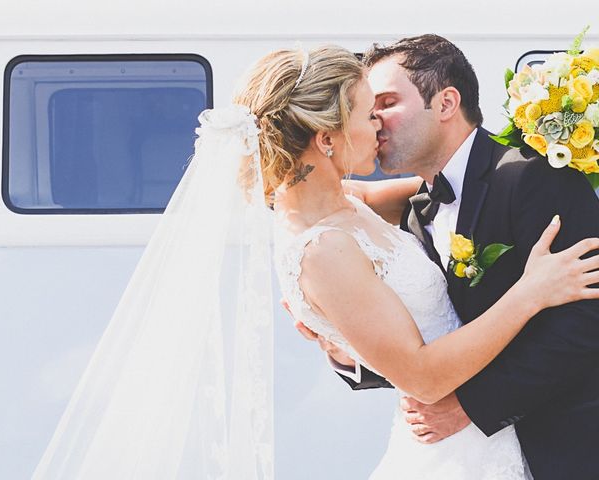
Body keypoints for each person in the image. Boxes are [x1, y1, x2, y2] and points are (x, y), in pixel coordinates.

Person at [33, 44, 599, 479]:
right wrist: (531, 292)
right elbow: (421, 374)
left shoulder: (353, 203)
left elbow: (448, 185)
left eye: (385, 106)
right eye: (365, 110)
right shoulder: (319, 247)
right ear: (327, 139)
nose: (376, 123)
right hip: (448, 444)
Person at [298, 35, 599, 479]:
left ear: (445, 103)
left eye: (386, 102)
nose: (374, 120)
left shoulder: (532, 176)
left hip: (560, 451)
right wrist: (351, 354)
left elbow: (585, 324)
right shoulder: (418, 207)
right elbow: (443, 332)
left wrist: (470, 407)